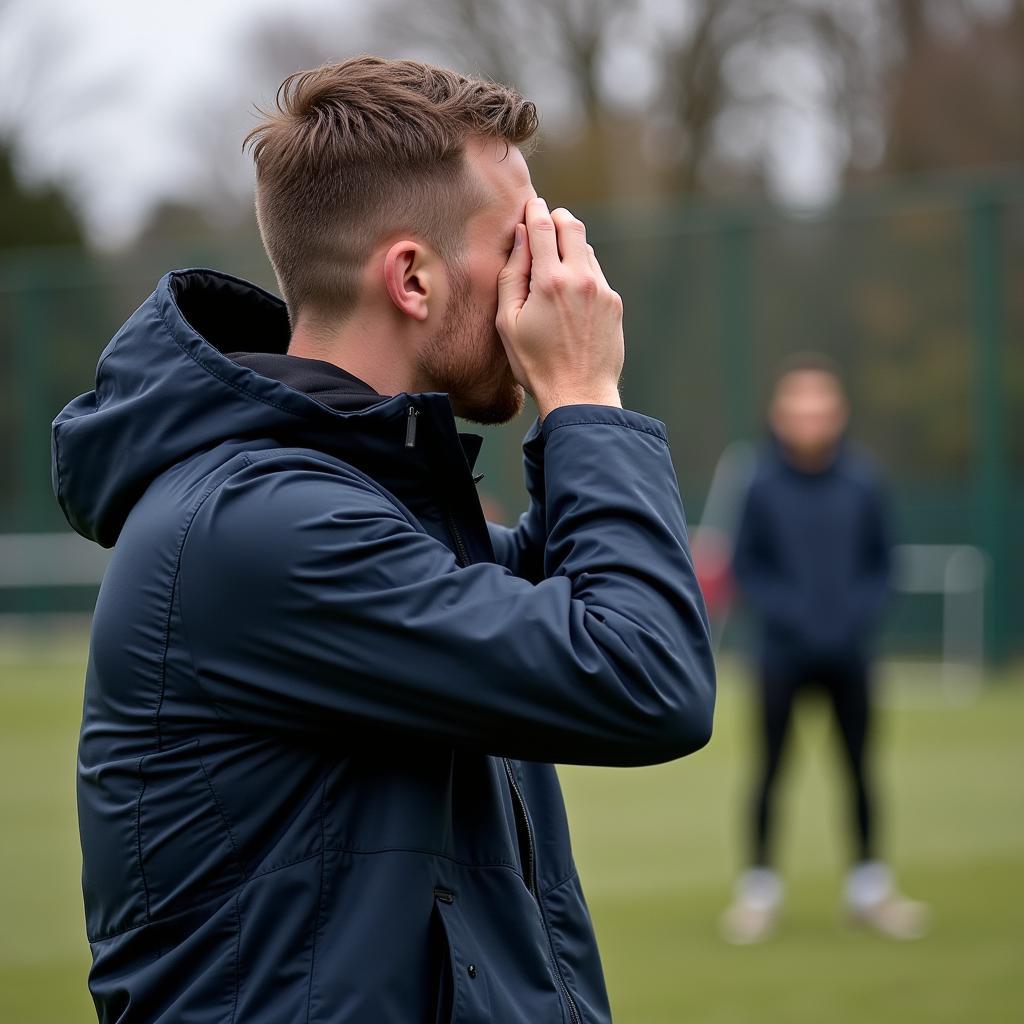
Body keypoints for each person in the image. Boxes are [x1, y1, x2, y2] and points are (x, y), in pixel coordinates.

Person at [53, 57, 716, 1023]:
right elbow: (642, 673)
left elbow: (587, 596)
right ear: (410, 276)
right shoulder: (261, 527)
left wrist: (579, 422)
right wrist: (582, 398)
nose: (548, 274)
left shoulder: (361, 513)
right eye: (516, 243)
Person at [720, 354, 927, 944]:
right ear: (780, 417)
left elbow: (883, 564)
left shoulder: (865, 482)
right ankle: (758, 893)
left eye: (820, 409)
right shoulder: (758, 483)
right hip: (781, 657)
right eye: (798, 410)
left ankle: (869, 890)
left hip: (849, 656)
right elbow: (746, 566)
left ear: (838, 415)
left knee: (859, 771)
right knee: (769, 772)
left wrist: (852, 617)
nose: (810, 420)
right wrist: (793, 617)